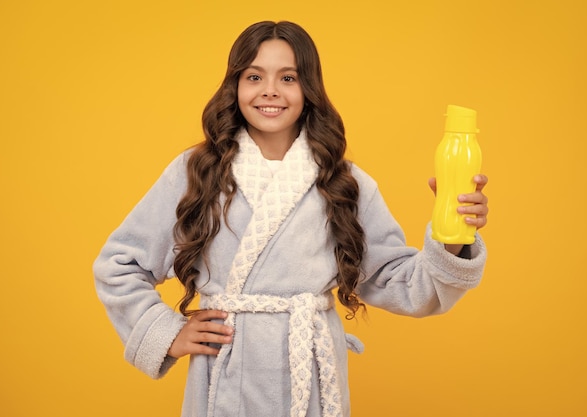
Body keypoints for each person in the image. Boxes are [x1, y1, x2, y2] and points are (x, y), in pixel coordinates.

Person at [93, 20, 489, 417]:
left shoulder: (343, 182)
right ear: (235, 87)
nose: (270, 91)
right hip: (228, 373)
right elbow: (119, 264)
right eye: (253, 76)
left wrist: (452, 234)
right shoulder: (197, 172)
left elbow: (403, 284)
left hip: (311, 373)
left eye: (288, 77)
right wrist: (168, 333)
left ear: (309, 90)